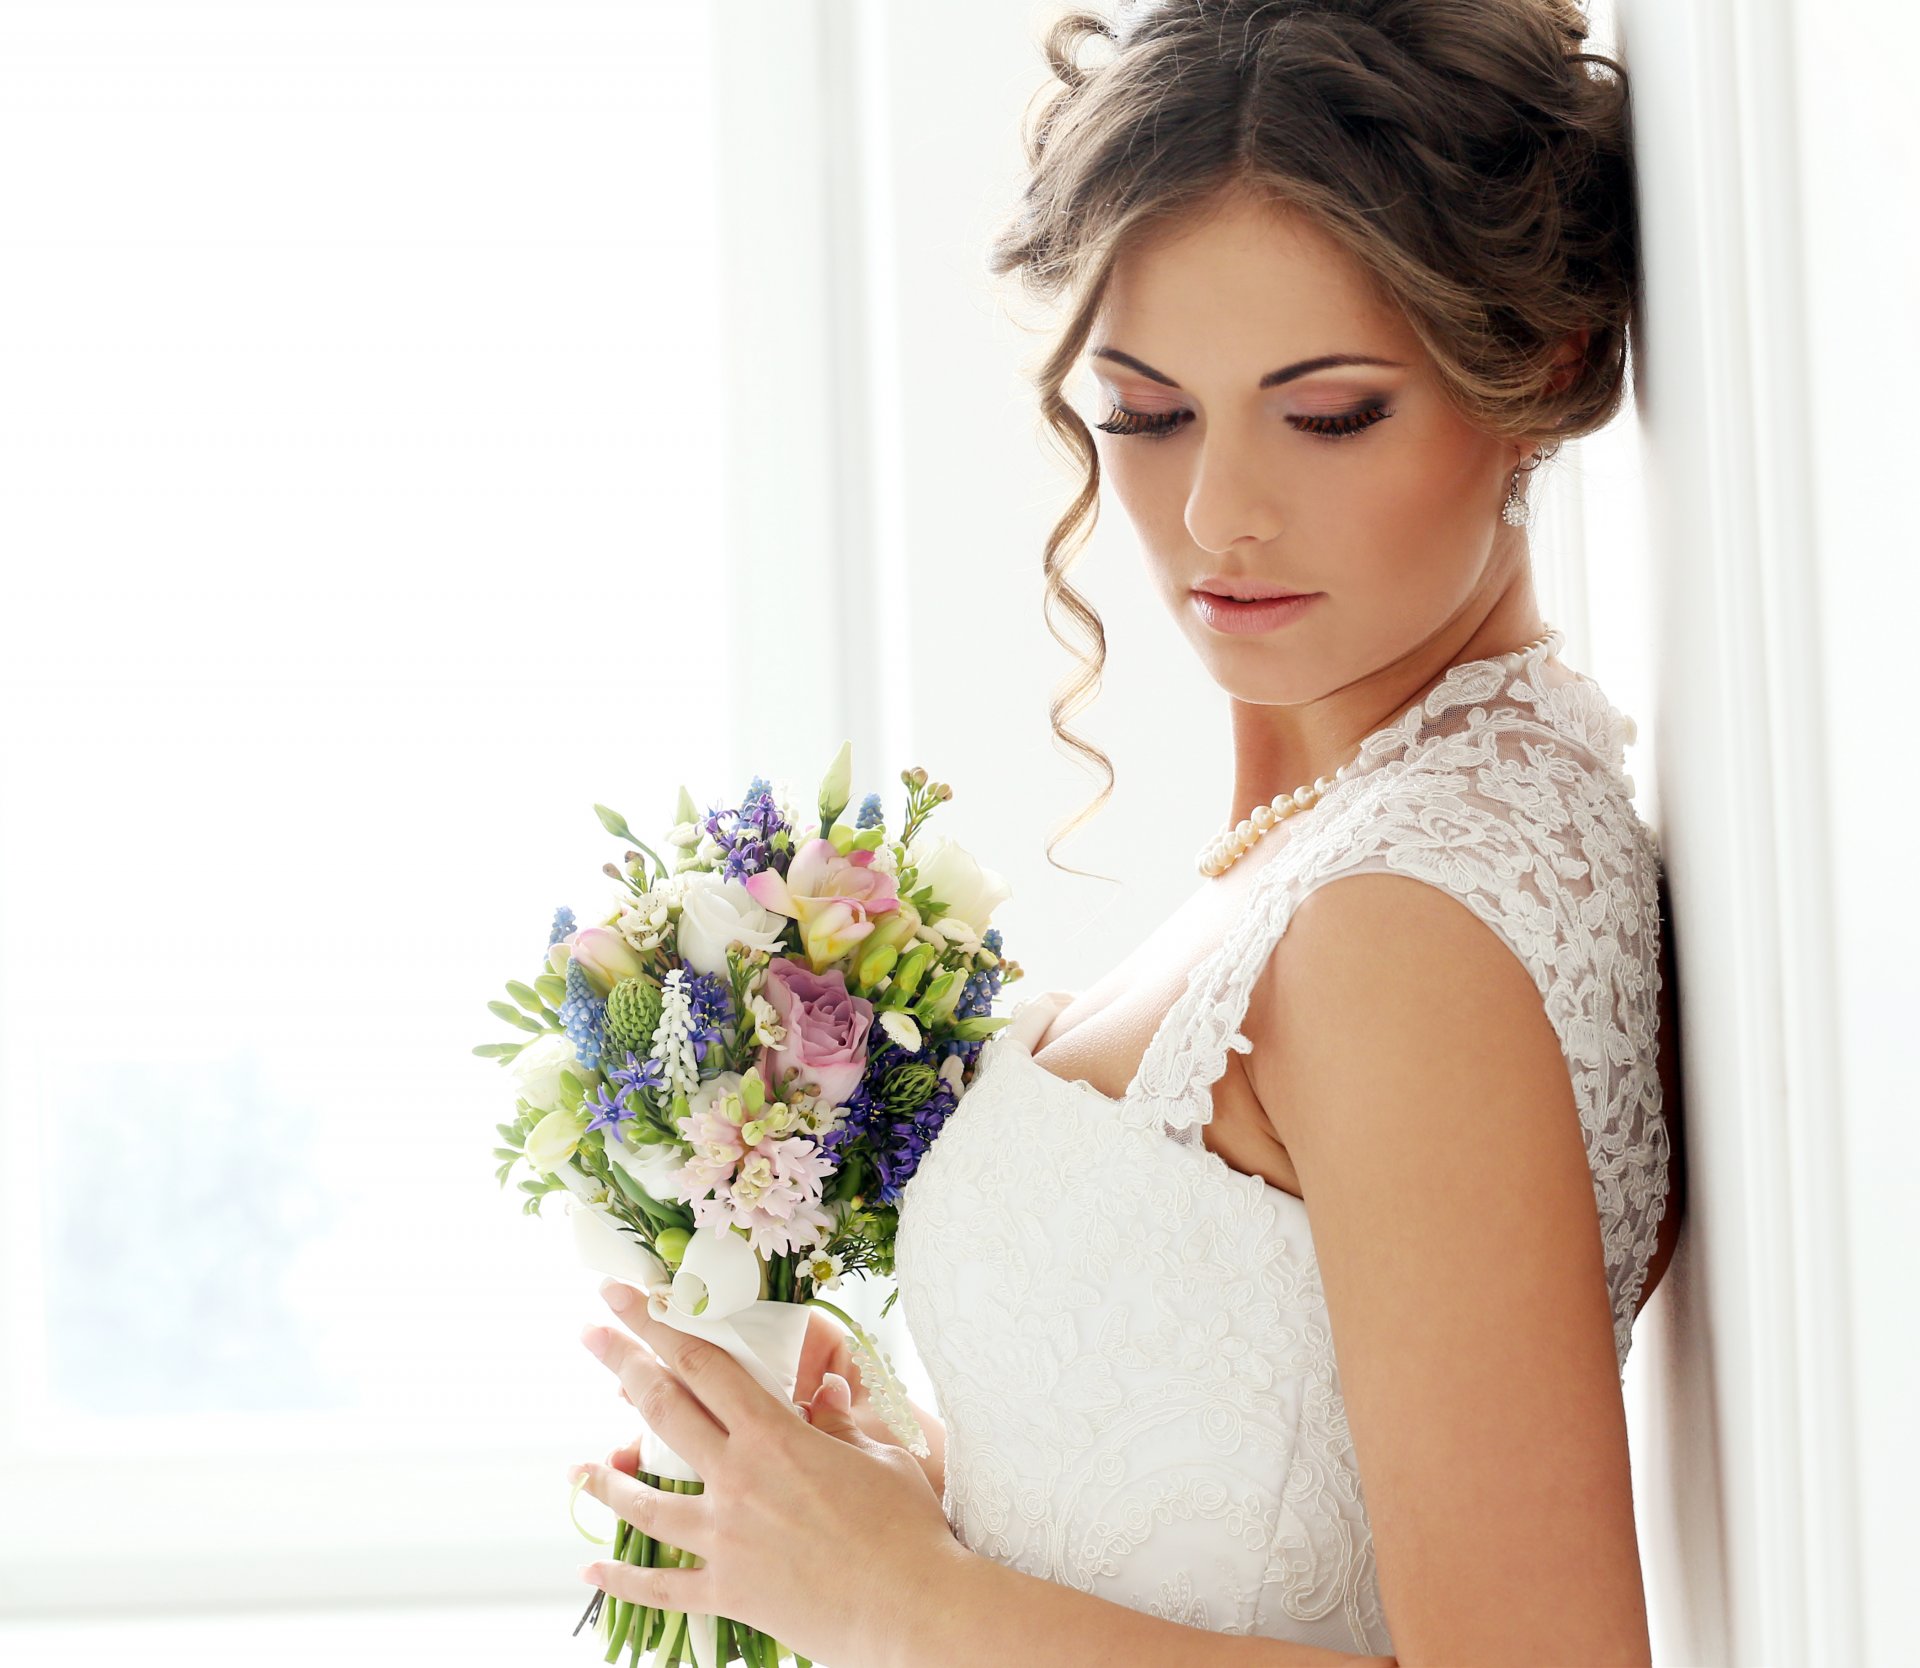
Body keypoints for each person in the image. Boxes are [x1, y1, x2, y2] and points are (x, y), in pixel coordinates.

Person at [584, 3, 1684, 1662]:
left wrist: (898, 1600)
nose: (1213, 517)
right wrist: (904, 1499)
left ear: (1532, 375)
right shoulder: (1364, 833)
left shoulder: (1412, 919)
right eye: (1149, 415)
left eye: (1327, 415)